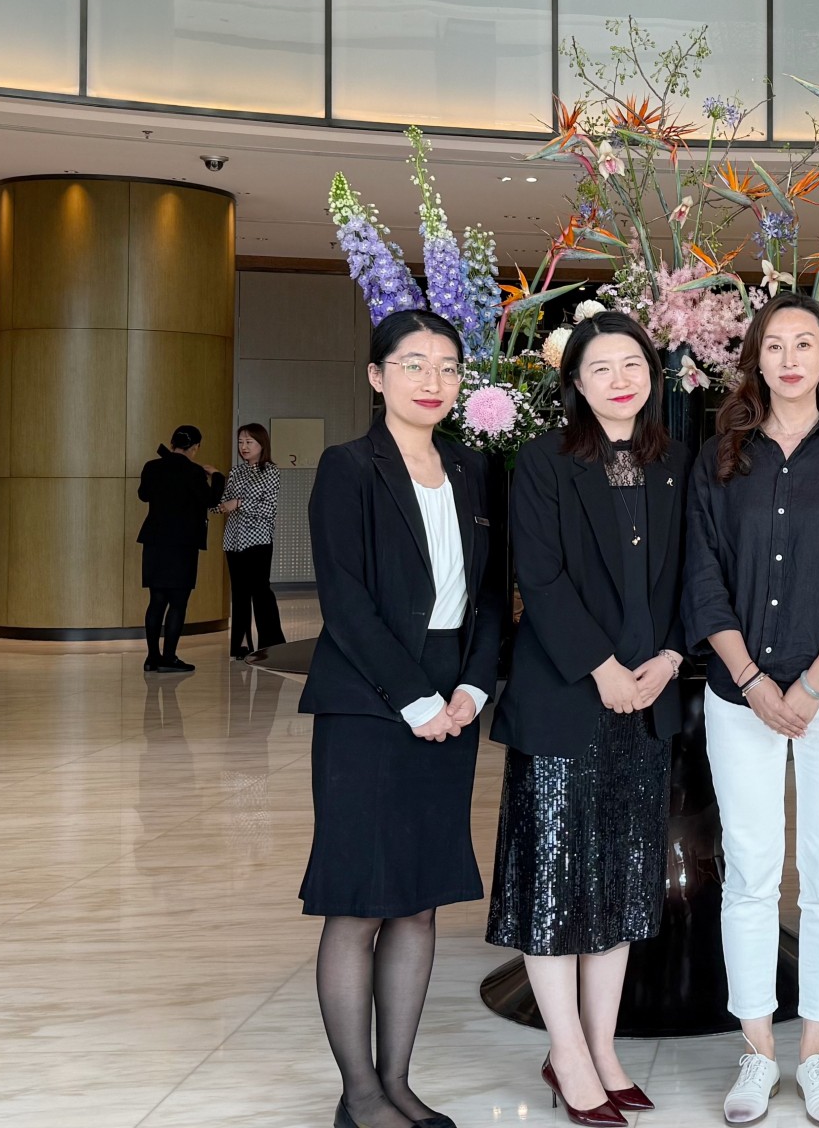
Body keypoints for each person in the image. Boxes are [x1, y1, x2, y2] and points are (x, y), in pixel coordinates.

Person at [681, 292, 819, 1128]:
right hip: (739, 693)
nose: (790, 359)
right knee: (749, 871)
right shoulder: (721, 458)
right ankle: (756, 1052)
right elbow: (702, 577)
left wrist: (809, 686)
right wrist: (751, 679)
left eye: (806, 344)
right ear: (756, 360)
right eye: (775, 345)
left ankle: (815, 1055)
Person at [298, 308, 505, 1128]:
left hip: (452, 705)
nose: (432, 381)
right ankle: (358, 1097)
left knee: (418, 900)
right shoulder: (348, 467)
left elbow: (492, 594)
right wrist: (415, 700)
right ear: (377, 376)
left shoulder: (474, 469)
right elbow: (344, 599)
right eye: (413, 364)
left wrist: (473, 689)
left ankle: (397, 1082)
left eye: (448, 366)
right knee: (359, 901)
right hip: (368, 706)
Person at [488, 311, 692, 1128]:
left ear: (652, 373)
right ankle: (566, 1052)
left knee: (622, 882)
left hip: (648, 700)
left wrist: (670, 657)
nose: (619, 379)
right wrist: (600, 667)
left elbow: (694, 573)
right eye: (600, 367)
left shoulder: (675, 463)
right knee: (555, 881)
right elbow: (538, 574)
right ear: (574, 381)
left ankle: (604, 1048)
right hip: (567, 697)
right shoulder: (543, 461)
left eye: (632, 363)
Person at [136, 425, 226, 673]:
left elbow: (143, 495)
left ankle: (152, 657)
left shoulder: (151, 466)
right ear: (195, 447)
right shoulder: (194, 472)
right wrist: (217, 476)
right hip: (183, 544)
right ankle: (169, 657)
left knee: (156, 600)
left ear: (172, 443)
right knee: (177, 602)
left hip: (155, 541)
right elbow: (211, 500)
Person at [217, 422, 286, 662]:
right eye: (240, 442)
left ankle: (272, 644)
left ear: (261, 444)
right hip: (233, 541)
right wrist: (217, 487)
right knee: (239, 593)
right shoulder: (235, 472)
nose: (244, 447)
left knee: (261, 591)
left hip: (258, 540)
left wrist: (239, 503)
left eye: (249, 442)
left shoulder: (271, 471)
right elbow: (222, 504)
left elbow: (268, 509)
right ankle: (242, 644)